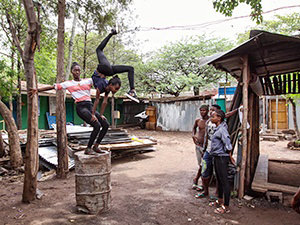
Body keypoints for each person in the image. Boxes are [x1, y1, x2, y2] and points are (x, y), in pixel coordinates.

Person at [32, 62, 121, 155]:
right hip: (81, 108)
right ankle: (88, 148)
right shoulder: (68, 84)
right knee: (97, 125)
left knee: (105, 124)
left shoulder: (89, 81)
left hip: (90, 106)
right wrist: (37, 90)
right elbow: (53, 87)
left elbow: (102, 82)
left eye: (79, 70)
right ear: (72, 72)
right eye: (75, 70)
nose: (77, 72)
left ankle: (96, 146)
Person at [197, 104, 238, 199]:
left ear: (219, 116)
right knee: (204, 171)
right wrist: (204, 148)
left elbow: (227, 142)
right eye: (210, 110)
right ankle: (205, 191)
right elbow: (206, 137)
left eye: (213, 111)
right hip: (208, 151)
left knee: (218, 174)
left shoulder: (222, 127)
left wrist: (229, 155)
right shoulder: (208, 122)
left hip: (218, 153)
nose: (211, 112)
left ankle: (217, 194)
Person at [93, 29, 136, 98]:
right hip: (108, 70)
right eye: (116, 89)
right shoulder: (104, 85)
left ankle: (111, 34)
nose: (115, 91)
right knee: (130, 68)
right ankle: (132, 90)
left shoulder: (101, 85)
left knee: (99, 50)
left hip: (106, 69)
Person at [209, 109, 233, 214]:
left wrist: (229, 155)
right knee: (219, 179)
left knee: (224, 181)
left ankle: (226, 206)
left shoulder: (222, 130)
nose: (211, 118)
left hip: (222, 157)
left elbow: (228, 143)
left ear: (219, 118)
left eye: (213, 116)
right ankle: (220, 200)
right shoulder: (218, 128)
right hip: (217, 156)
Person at [192, 105, 209, 192]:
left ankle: (198, 180)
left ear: (207, 111)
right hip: (198, 146)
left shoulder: (210, 121)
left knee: (204, 165)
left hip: (206, 147)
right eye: (201, 110)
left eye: (204, 110)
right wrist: (193, 136)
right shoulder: (198, 121)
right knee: (201, 165)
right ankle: (198, 181)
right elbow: (194, 128)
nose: (202, 112)